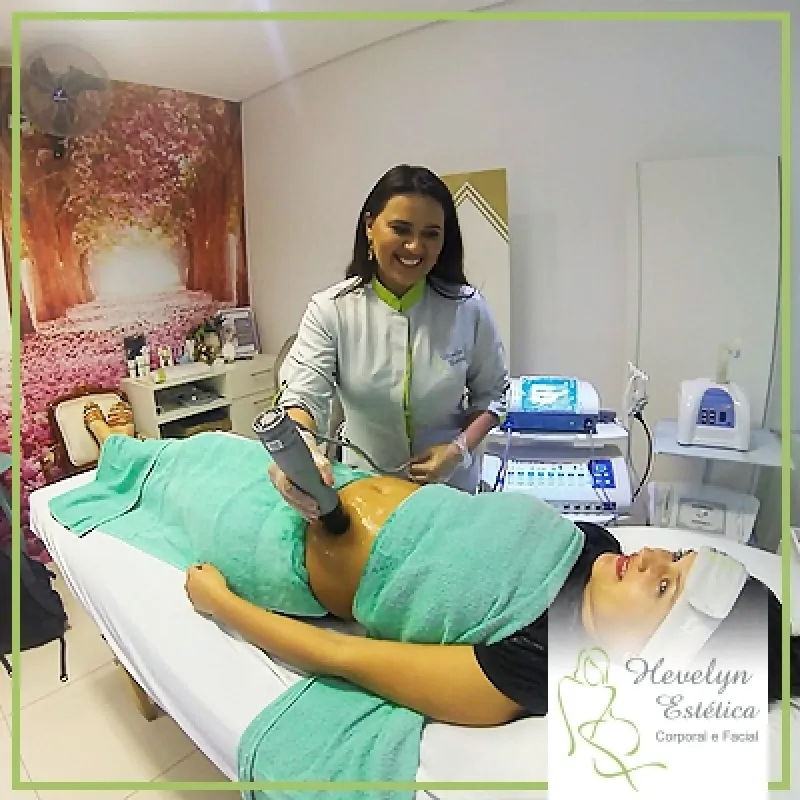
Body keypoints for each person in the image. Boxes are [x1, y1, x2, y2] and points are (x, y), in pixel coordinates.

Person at [79, 411, 799, 729]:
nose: (652, 559)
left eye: (664, 586)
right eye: (676, 557)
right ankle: (125, 440)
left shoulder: (524, 666)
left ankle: (112, 444)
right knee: (216, 447)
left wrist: (219, 602)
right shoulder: (593, 544)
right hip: (335, 486)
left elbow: (345, 656)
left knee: (175, 486)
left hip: (278, 551)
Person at [271, 164, 510, 519]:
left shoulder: (468, 308)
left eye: (431, 234)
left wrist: (458, 450)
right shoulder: (331, 310)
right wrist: (299, 450)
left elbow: (493, 395)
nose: (415, 246)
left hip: (450, 494)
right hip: (367, 494)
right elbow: (303, 396)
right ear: (370, 226)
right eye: (401, 229)